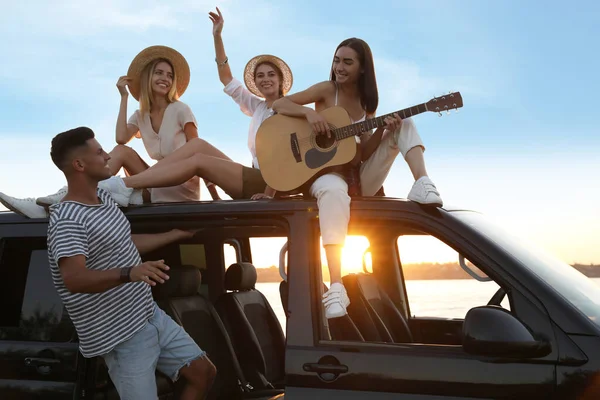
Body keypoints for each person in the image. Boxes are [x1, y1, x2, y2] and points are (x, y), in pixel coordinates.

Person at [270, 37, 444, 319]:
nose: (339, 67)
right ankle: (336, 286)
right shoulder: (326, 90)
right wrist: (308, 114)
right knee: (334, 193)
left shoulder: (366, 104)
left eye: (347, 62)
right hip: (323, 174)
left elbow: (361, 153)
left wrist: (380, 130)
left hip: (356, 175)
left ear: (363, 68)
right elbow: (279, 104)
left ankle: (423, 182)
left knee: (405, 123)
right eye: (337, 60)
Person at [46, 126, 216, 399]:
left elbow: (124, 242)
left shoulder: (103, 200)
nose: (106, 157)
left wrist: (174, 235)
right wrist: (129, 273)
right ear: (79, 164)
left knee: (203, 372)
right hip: (120, 337)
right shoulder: (68, 219)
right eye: (99, 152)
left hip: (149, 315)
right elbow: (74, 278)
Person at [0, 45, 222, 218]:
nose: (165, 78)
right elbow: (120, 138)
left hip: (180, 186)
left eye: (170, 75)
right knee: (121, 150)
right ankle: (62, 199)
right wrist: (124, 98)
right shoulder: (140, 115)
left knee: (119, 161)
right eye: (159, 73)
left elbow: (198, 153)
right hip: (155, 184)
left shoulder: (181, 110)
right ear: (148, 77)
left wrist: (215, 197)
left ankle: (69, 196)